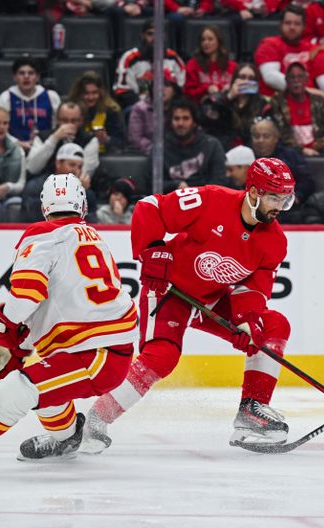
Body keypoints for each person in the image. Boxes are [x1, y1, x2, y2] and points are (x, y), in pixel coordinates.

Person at [0, 173, 139, 473]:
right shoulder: (91, 236)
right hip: (103, 348)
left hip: (95, 354)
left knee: (23, 390)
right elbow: (52, 302)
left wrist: (6, 326)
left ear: (44, 207)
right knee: (47, 391)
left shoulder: (42, 234)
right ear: (83, 205)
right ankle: (67, 438)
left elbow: (26, 297)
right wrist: (19, 347)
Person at [82, 158, 295, 452]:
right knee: (162, 357)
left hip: (214, 297)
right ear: (255, 192)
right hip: (170, 291)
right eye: (275, 197)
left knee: (273, 325)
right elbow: (150, 207)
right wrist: (152, 250)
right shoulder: (211, 200)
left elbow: (253, 287)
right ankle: (96, 417)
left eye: (286, 199)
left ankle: (251, 410)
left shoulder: (275, 241)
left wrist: (247, 320)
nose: (280, 206)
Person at [113, 18, 186, 110]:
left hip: (169, 108)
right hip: (140, 107)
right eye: (150, 34)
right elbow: (121, 90)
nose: (155, 38)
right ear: (142, 36)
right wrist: (145, 106)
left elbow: (181, 89)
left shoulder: (173, 58)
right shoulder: (130, 58)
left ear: (164, 36)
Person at [270, 62, 324, 156]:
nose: (296, 81)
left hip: (320, 150)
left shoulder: (321, 102)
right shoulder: (278, 102)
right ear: (286, 80)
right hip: (290, 151)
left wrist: (315, 147)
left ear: (306, 79)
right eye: (292, 77)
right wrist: (301, 150)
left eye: (300, 76)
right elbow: (281, 134)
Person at [0, 58, 62, 152]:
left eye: (31, 73)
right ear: (15, 77)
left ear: (38, 77)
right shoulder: (6, 97)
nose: (26, 77)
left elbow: (58, 125)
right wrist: (17, 143)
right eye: (21, 73)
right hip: (14, 149)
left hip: (46, 149)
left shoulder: (51, 96)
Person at [23, 142, 98, 223]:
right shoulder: (37, 186)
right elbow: (31, 215)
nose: (76, 171)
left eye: (80, 167)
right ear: (58, 163)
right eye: (72, 165)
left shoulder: (85, 192)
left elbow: (90, 222)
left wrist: (80, 194)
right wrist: (73, 192)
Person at [163, 99, 227, 192]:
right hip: (170, 200)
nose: (180, 123)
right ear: (171, 122)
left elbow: (220, 180)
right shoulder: (161, 148)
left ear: (194, 122)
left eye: (186, 118)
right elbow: (152, 183)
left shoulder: (212, 145)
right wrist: (175, 185)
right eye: (176, 118)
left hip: (205, 201)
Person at [201, 63, 269, 149]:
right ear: (234, 79)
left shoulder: (261, 103)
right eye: (242, 77)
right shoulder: (221, 98)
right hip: (222, 148)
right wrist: (229, 97)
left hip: (251, 150)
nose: (246, 81)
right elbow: (206, 119)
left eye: (251, 78)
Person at [250, 117, 314, 205]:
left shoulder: (290, 156)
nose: (261, 140)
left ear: (276, 138)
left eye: (266, 136)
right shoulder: (247, 157)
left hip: (285, 207)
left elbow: (307, 181)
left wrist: (295, 198)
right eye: (257, 136)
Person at [254, 5, 314, 96]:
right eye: (288, 23)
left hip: (309, 103)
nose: (292, 27)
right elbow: (270, 77)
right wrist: (306, 92)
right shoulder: (269, 44)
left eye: (297, 24)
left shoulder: (312, 48)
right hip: (276, 101)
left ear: (304, 27)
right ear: (281, 25)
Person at [66, 71, 125, 154]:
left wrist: (106, 139)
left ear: (101, 92)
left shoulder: (111, 111)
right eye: (86, 93)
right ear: (79, 93)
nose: (90, 97)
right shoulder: (70, 110)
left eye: (94, 93)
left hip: (104, 156)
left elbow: (120, 143)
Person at [127, 70, 181, 154]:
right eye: (158, 85)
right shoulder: (140, 108)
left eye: (166, 85)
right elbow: (136, 139)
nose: (162, 89)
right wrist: (157, 149)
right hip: (149, 154)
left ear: (174, 90)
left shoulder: (182, 109)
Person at [184, 25, 238, 104]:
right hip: (201, 107)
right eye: (203, 40)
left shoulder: (232, 66)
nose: (206, 43)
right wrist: (206, 89)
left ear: (219, 42)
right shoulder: (192, 65)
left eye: (210, 39)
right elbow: (188, 93)